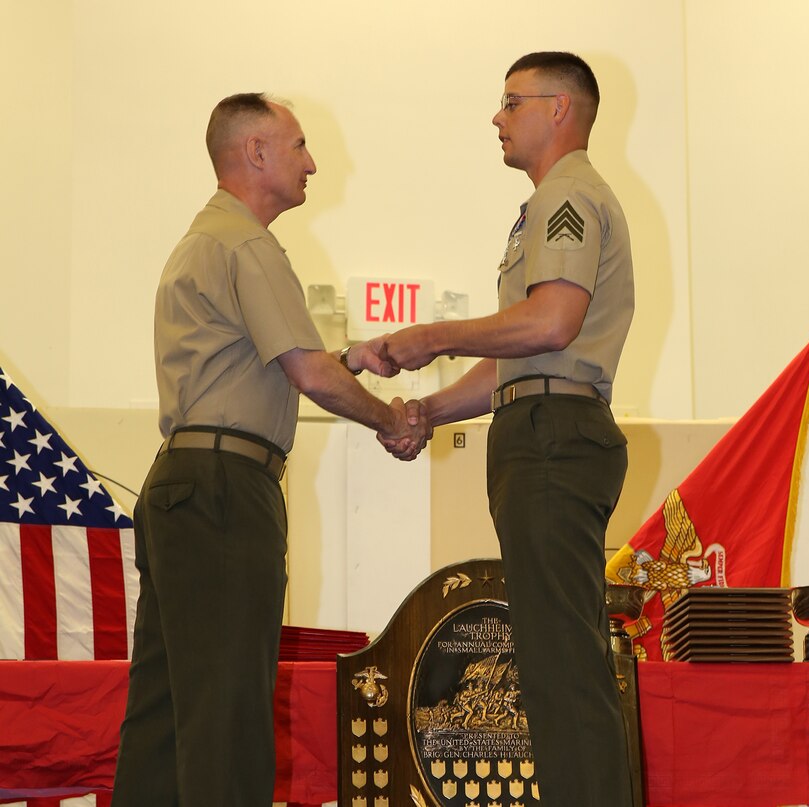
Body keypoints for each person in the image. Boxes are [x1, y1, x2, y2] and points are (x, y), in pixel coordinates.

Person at [112, 92, 429, 806]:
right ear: (255, 152)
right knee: (229, 711)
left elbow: (267, 363)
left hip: (181, 485)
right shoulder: (248, 244)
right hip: (227, 490)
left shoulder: (204, 240)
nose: (312, 162)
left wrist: (351, 356)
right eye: (298, 146)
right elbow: (306, 373)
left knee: (165, 713)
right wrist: (391, 421)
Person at [382, 52, 635, 806]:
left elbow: (551, 322)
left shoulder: (569, 196)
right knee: (555, 658)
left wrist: (436, 335)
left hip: (554, 434)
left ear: (560, 109)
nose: (497, 117)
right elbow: (516, 358)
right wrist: (429, 410)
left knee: (562, 666)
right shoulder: (551, 203)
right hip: (539, 422)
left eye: (511, 101)